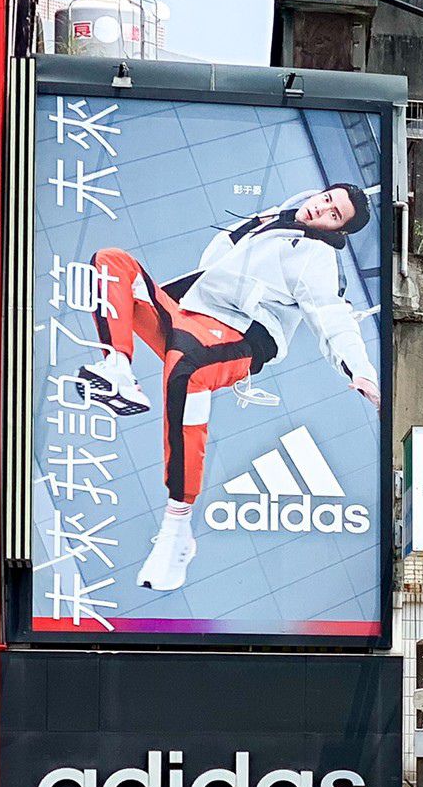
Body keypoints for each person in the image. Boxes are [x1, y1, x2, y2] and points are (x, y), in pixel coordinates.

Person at [77, 184, 382, 593]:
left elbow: (332, 315)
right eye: (326, 198)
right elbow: (215, 263)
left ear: (338, 230)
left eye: (334, 213)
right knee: (112, 262)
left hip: (238, 335)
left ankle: (177, 527)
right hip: (187, 313)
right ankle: (117, 368)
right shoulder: (272, 221)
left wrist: (359, 370)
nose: (322, 208)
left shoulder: (319, 257)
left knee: (186, 374)